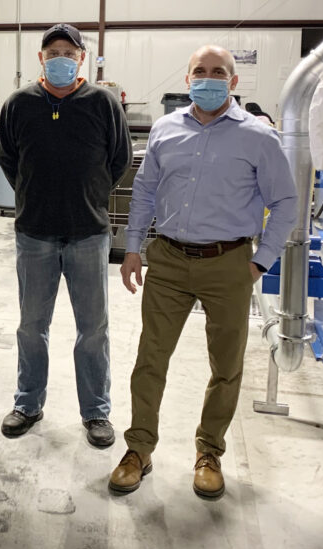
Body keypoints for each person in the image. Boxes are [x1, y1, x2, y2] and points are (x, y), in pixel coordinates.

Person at [109, 44, 297, 499]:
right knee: (150, 359)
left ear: (233, 83)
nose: (208, 79)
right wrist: (133, 248)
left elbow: (286, 202)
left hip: (229, 262)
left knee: (226, 365)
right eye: (200, 71)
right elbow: (146, 192)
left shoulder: (259, 137)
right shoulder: (165, 129)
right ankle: (139, 449)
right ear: (188, 78)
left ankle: (209, 451)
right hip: (168, 260)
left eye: (218, 72)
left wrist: (261, 260)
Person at [0, 23, 132, 447]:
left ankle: (95, 411)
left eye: (69, 53)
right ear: (41, 58)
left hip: (88, 234)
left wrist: (87, 195)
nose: (61, 58)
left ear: (81, 59)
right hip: (34, 234)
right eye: (53, 51)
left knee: (93, 329)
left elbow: (119, 159)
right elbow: (8, 160)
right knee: (31, 326)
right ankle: (28, 403)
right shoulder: (18, 104)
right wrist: (36, 195)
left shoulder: (103, 103)